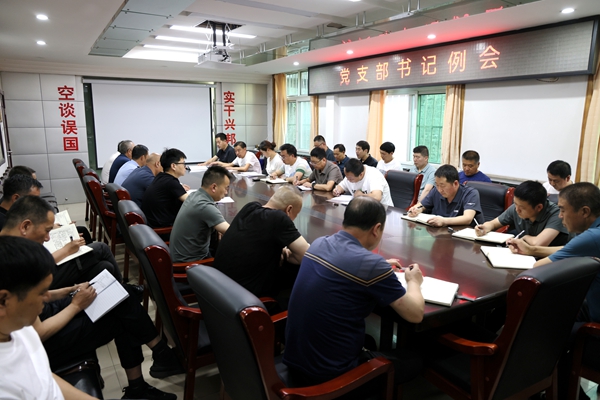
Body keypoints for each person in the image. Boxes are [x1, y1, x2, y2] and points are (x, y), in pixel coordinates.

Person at [283, 197, 424, 388]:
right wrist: (413, 281)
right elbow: (415, 314)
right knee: (414, 360)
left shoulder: (319, 243)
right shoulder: (372, 265)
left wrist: (378, 266)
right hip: (331, 377)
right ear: (376, 229)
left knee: (369, 341)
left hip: (296, 360)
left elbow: (349, 262)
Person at [508, 183, 600, 400]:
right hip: (591, 307)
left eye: (563, 210)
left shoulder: (592, 237)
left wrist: (531, 254)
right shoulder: (594, 233)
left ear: (584, 211)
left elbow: (537, 268)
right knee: (550, 314)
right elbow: (571, 249)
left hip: (596, 328)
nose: (560, 216)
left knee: (539, 334)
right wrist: (533, 249)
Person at [0, 236, 98, 400]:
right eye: (40, 293)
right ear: (3, 300)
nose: (47, 297)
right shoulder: (5, 386)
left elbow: (44, 375)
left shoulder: (20, 329)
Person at [0, 196, 124, 290]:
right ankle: (124, 290)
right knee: (101, 248)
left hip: (48, 286)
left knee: (105, 266)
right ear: (25, 226)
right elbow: (40, 270)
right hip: (48, 287)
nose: (47, 238)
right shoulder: (11, 256)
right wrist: (66, 250)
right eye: (47, 231)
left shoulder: (13, 241)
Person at [213, 185, 310, 301]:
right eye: (296, 214)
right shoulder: (279, 218)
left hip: (218, 290)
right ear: (289, 210)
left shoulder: (249, 208)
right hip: (242, 298)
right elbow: (307, 256)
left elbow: (256, 240)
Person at [475, 180, 569, 246]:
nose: (517, 210)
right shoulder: (517, 207)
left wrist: (525, 237)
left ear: (539, 207)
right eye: (515, 204)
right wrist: (485, 227)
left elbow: (538, 243)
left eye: (522, 208)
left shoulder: (557, 214)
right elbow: (494, 223)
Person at [170, 166, 232, 263]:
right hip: (190, 263)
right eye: (225, 188)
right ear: (214, 187)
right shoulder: (204, 206)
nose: (226, 192)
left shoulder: (195, 195)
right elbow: (232, 232)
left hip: (180, 257)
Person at [407, 164, 484, 227]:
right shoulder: (436, 191)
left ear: (455, 184)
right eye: (437, 185)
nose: (439, 189)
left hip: (464, 236)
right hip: (442, 233)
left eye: (442, 185)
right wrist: (416, 209)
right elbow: (421, 205)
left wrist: (444, 221)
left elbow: (467, 219)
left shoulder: (470, 193)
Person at [142, 148, 190, 228]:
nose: (185, 167)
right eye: (183, 163)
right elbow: (192, 202)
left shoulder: (161, 177)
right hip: (163, 229)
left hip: (153, 225)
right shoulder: (170, 182)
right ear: (173, 166)